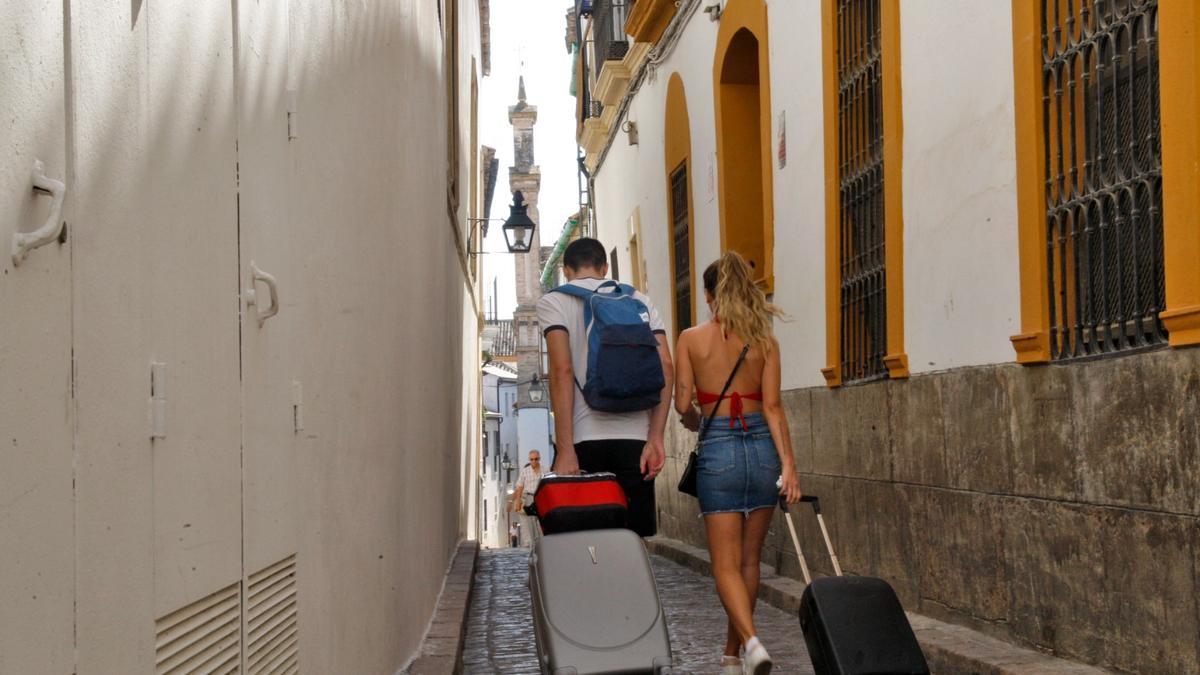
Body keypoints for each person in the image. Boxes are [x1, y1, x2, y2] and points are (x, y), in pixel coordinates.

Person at [674, 251, 801, 675]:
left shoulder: (691, 339)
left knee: (725, 565)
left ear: (709, 296)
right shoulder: (765, 340)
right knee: (750, 561)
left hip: (720, 451)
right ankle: (732, 657)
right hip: (763, 451)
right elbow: (773, 407)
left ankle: (751, 642)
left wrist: (697, 419)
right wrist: (790, 468)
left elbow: (683, 406)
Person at [537, 238, 673, 537]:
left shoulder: (554, 302)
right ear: (605, 267)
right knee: (632, 541)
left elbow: (561, 370)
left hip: (585, 440)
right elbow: (666, 367)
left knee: (588, 542)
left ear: (566, 269)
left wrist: (565, 448)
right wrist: (656, 437)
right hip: (636, 441)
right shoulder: (639, 300)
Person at [510, 450, 548, 546]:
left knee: (541, 521)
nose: (534, 461)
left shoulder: (545, 470)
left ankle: (543, 543)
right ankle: (533, 544)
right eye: (531, 459)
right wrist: (517, 501)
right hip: (529, 497)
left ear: (539, 459)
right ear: (529, 460)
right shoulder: (525, 472)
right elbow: (519, 486)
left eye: (536, 459)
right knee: (530, 522)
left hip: (541, 498)